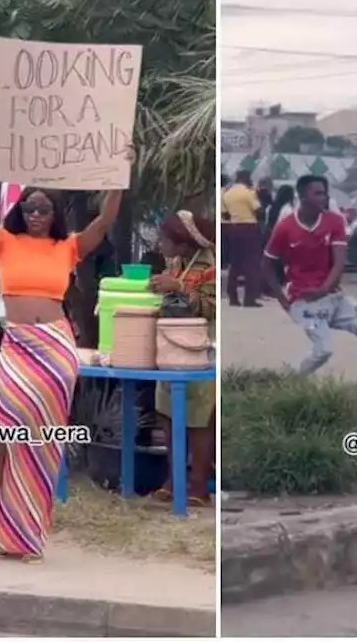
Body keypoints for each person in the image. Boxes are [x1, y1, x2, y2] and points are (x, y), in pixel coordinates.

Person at [0, 128, 131, 565]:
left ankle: (26, 538)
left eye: (45, 207)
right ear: (21, 210)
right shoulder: (4, 242)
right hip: (18, 347)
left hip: (55, 348)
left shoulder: (68, 247)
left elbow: (104, 221)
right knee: (2, 439)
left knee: (43, 445)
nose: (37, 213)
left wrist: (119, 172)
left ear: (55, 214)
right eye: (30, 206)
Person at [262, 175, 357, 391]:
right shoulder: (285, 227)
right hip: (303, 300)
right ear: (302, 196)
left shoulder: (335, 222)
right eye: (317, 193)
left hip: (332, 295)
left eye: (325, 193)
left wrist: (324, 289)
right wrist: (283, 300)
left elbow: (339, 262)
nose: (324, 197)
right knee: (324, 350)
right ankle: (289, 380)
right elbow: (266, 265)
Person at [148, 211, 216, 507]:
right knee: (167, 411)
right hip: (169, 348)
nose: (160, 244)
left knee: (199, 417)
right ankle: (174, 480)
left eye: (164, 239)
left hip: (200, 350)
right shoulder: (174, 263)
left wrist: (178, 288)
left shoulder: (209, 264)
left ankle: (198, 485)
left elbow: (211, 308)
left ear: (183, 243)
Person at [221, 169, 262, 307]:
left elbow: (225, 214)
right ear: (247, 178)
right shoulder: (249, 193)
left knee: (235, 264)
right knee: (251, 264)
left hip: (233, 228)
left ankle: (233, 298)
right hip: (249, 228)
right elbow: (259, 211)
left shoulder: (227, 194)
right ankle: (249, 299)